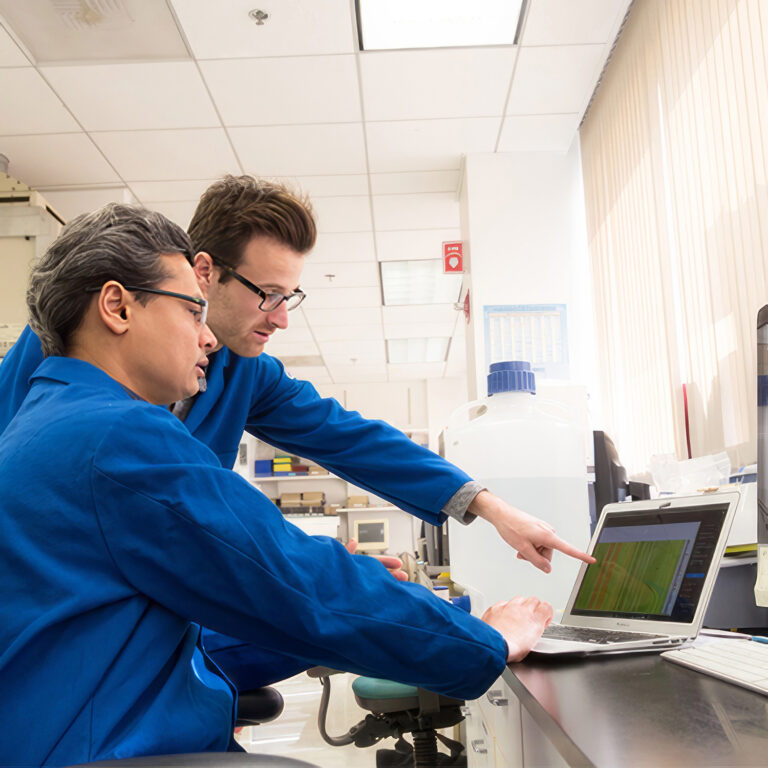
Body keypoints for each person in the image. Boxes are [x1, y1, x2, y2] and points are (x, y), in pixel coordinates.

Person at [0, 203, 553, 764]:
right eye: (195, 310)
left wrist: (485, 508)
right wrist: (483, 642)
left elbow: (347, 441)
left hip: (122, 638)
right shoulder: (105, 416)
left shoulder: (128, 394)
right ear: (204, 274)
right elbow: (286, 574)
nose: (278, 317)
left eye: (290, 298)